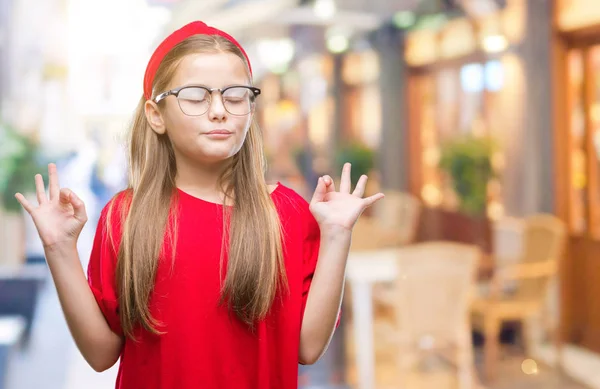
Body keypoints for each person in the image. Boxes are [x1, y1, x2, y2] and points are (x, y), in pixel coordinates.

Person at [14, 21, 384, 389]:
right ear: (156, 115)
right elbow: (101, 353)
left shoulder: (286, 213)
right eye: (196, 96)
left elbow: (308, 347)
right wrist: (60, 249)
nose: (219, 110)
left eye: (236, 96)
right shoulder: (125, 217)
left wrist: (336, 235)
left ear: (251, 110)